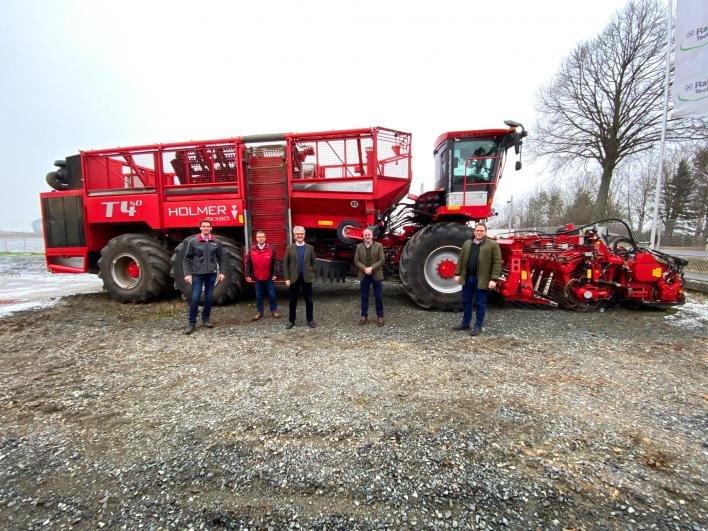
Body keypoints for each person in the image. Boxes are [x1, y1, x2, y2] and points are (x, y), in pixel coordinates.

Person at [453, 222, 501, 336]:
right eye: (477, 230)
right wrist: (458, 273)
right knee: (466, 301)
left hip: (482, 279)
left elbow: (497, 263)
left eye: (481, 231)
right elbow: (461, 259)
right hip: (468, 278)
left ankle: (478, 326)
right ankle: (465, 323)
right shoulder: (467, 243)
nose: (479, 233)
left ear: (485, 232)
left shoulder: (492, 245)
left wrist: (493, 279)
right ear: (474, 232)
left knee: (480, 303)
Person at [182, 219, 225, 335]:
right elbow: (187, 259)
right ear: (200, 228)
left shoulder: (216, 242)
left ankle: (206, 319)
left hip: (211, 274)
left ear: (211, 228)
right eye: (204, 226)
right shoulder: (193, 242)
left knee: (209, 298)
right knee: (195, 298)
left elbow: (221, 258)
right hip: (197, 275)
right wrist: (187, 274)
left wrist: (222, 272)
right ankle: (191, 323)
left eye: (208, 226)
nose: (206, 228)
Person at [283, 225, 316, 329]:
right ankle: (291, 321)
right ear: (294, 236)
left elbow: (314, 263)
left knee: (309, 300)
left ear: (304, 235)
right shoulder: (290, 248)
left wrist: (312, 274)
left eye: (301, 234)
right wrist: (287, 278)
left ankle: (310, 320)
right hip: (294, 278)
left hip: (306, 278)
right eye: (297, 234)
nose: (299, 236)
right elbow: (285, 264)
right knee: (292, 301)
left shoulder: (310, 248)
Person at [245, 230, 281, 320]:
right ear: (256, 238)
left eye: (262, 237)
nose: (261, 238)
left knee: (272, 294)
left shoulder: (271, 249)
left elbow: (275, 262)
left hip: (268, 276)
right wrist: (248, 275)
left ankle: (274, 311)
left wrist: (275, 274)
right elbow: (248, 263)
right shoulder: (252, 249)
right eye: (259, 237)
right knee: (258, 295)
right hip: (257, 277)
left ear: (265, 238)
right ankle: (259, 312)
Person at [354, 228, 385, 326]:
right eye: (365, 235)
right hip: (364, 275)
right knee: (364, 296)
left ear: (372, 236)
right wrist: (364, 269)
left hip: (376, 274)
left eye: (369, 235)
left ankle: (380, 317)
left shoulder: (379, 246)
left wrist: (371, 268)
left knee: (378, 296)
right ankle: (364, 316)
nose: (367, 236)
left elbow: (382, 260)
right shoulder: (359, 247)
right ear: (363, 237)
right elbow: (356, 261)